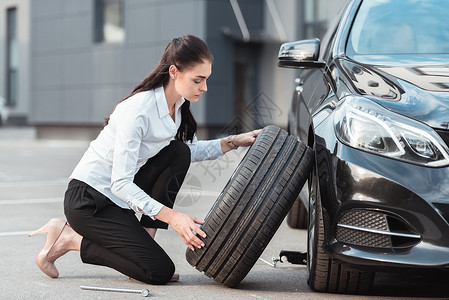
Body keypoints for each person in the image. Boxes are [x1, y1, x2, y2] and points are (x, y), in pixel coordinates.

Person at [29, 34, 260, 285]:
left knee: (178, 152)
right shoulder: (138, 110)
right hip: (89, 201)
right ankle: (68, 238)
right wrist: (173, 217)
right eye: (198, 80)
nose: (204, 88)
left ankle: (143, 247)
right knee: (159, 271)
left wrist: (234, 142)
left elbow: (188, 152)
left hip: (117, 200)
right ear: (174, 72)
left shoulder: (177, 108)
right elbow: (120, 183)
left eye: (206, 80)